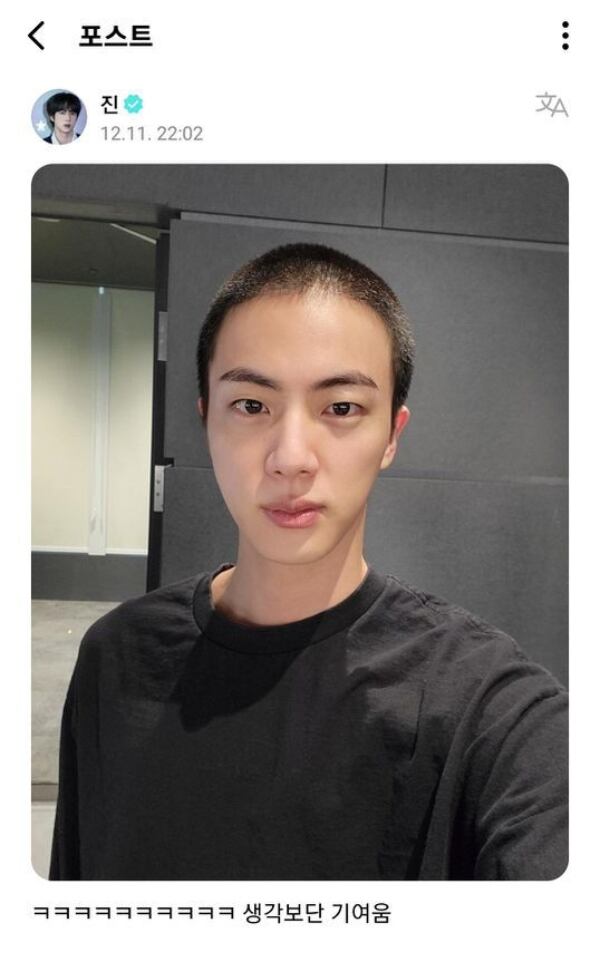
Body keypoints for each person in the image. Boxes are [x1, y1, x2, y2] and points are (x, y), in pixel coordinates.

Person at [49, 243, 567, 881]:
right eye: (251, 405)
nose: (291, 458)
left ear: (392, 435)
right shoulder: (117, 656)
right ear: (206, 418)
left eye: (341, 408)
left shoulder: (487, 707)